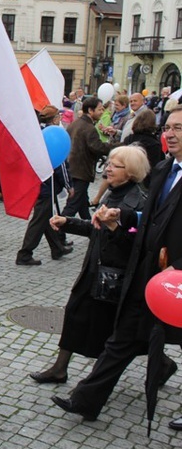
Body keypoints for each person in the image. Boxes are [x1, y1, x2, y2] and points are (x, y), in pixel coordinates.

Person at [51, 107, 182, 424]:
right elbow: (147, 220)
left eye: (179, 127)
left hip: (174, 280)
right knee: (122, 338)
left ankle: (160, 366)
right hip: (146, 274)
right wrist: (121, 218)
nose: (171, 133)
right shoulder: (165, 170)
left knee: (132, 337)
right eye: (168, 127)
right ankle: (86, 400)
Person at [29, 146, 149, 384]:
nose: (108, 168)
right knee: (74, 313)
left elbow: (136, 245)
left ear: (131, 171)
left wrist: (115, 227)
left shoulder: (139, 201)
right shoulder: (111, 193)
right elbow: (95, 229)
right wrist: (67, 222)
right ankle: (60, 368)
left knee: (121, 332)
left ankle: (161, 364)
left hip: (115, 276)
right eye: (109, 163)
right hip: (93, 270)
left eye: (116, 165)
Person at [15, 106, 74, 266]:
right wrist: (69, 185)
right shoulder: (54, 135)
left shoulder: (37, 134)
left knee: (46, 217)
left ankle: (57, 248)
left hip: (39, 182)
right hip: (46, 185)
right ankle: (25, 253)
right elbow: (61, 164)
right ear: (54, 119)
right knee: (39, 220)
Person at [61, 97, 118, 220]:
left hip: (74, 168)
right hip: (81, 171)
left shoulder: (75, 123)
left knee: (82, 205)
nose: (102, 112)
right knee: (72, 206)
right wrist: (118, 146)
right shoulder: (89, 128)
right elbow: (98, 147)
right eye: (99, 109)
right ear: (90, 110)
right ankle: (58, 231)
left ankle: (91, 231)